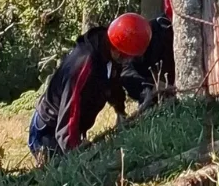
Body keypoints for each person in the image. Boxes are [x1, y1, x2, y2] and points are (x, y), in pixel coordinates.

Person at [27, 13, 152, 162]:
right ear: (117, 49)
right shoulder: (83, 62)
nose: (128, 61)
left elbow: (112, 83)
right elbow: (70, 108)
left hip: (73, 127)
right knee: (63, 175)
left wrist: (120, 111)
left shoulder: (110, 55)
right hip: (49, 129)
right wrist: (74, 152)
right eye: (126, 57)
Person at [117, 11, 175, 109]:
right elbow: (126, 72)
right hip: (153, 92)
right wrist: (151, 86)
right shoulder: (140, 34)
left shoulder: (163, 29)